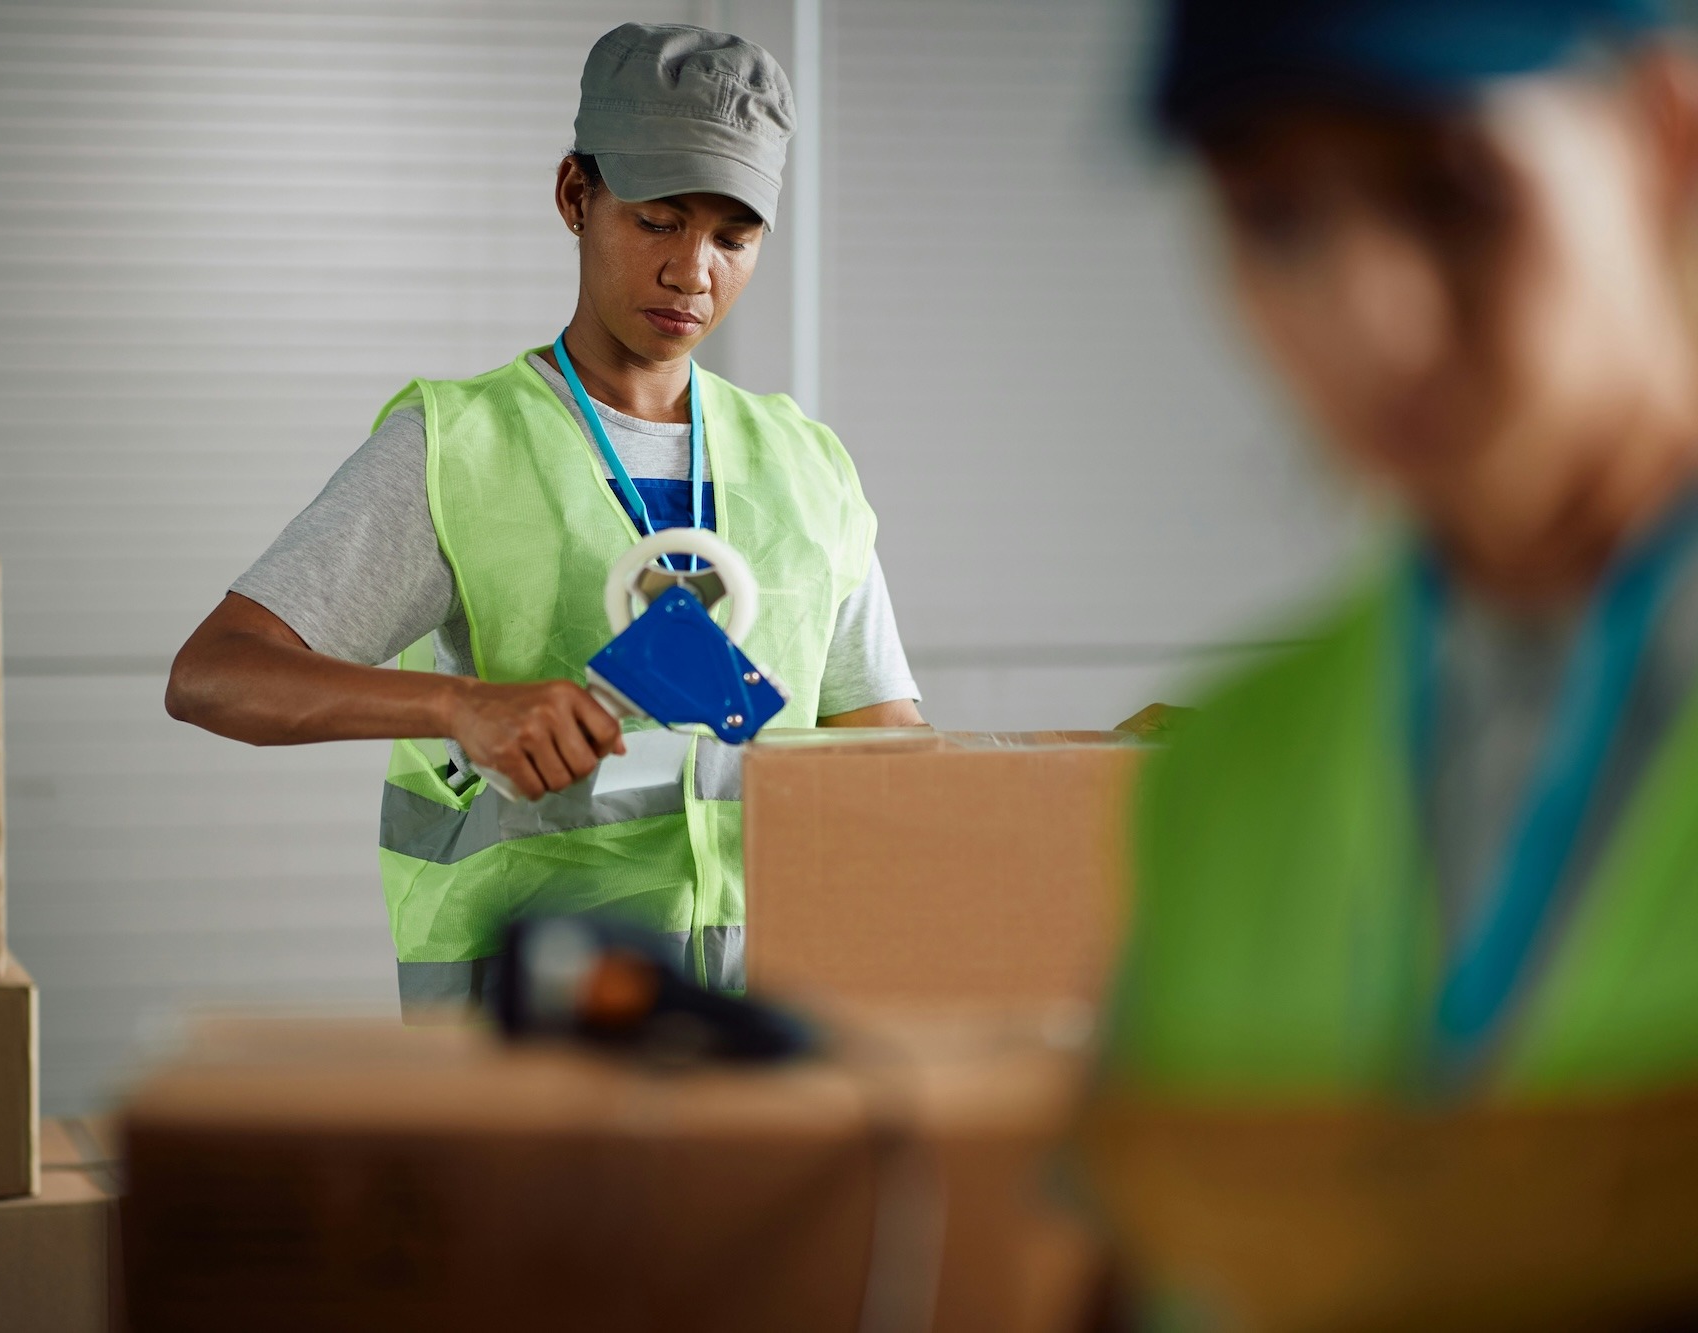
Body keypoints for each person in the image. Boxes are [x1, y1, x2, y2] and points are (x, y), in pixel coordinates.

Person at [166, 22, 923, 1011]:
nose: (692, 273)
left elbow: (889, 757)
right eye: (657, 220)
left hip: (762, 1037)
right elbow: (215, 675)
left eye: (731, 238)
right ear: (577, 195)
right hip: (533, 1038)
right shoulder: (456, 446)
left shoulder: (807, 467)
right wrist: (459, 709)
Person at [1105, 0, 1698, 1100]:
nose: (1368, 319)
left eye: (1451, 192)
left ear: (1662, 139)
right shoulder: (1227, 777)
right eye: (1271, 217)